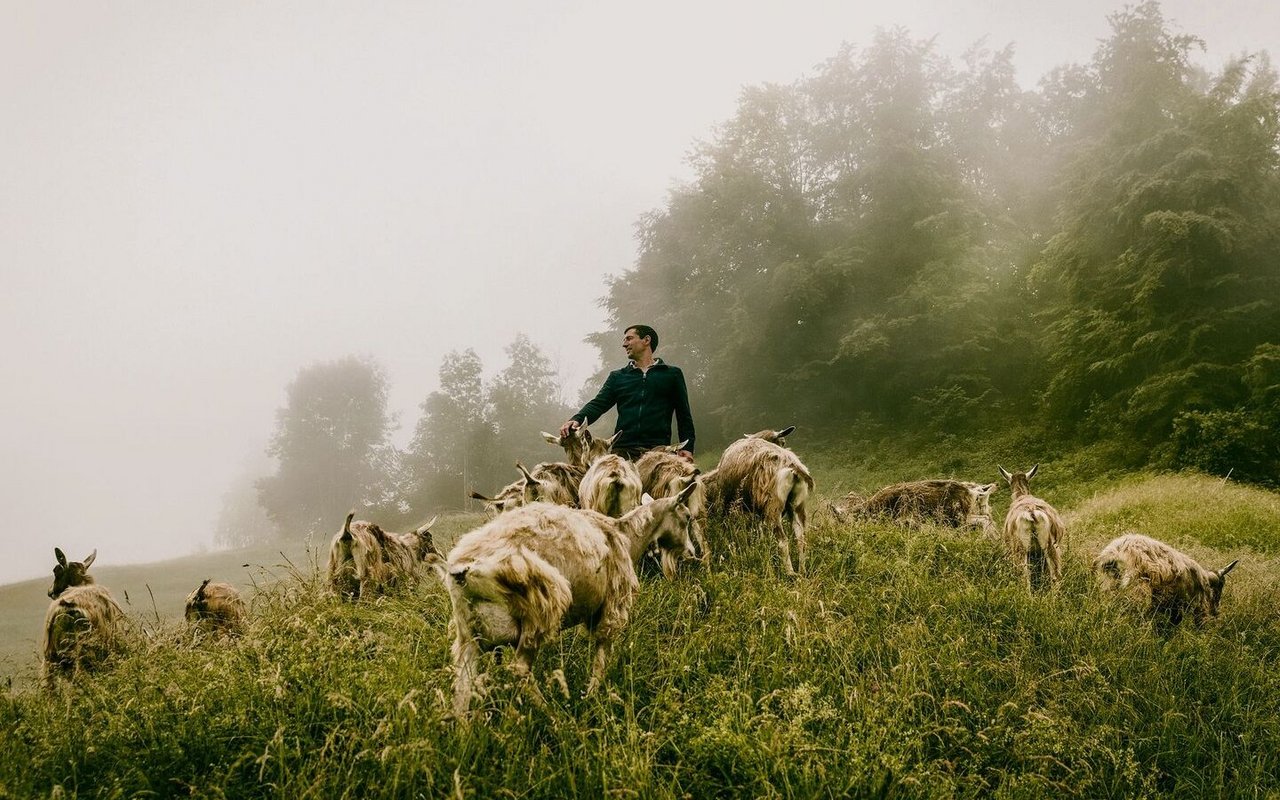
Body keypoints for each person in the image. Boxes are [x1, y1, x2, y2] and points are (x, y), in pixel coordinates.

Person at [559, 324, 695, 462]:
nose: (624, 344)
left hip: (659, 451)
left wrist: (688, 447)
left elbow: (683, 415)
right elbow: (598, 404)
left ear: (646, 340)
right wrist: (576, 420)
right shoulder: (617, 377)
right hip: (623, 452)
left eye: (629, 339)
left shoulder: (672, 374)